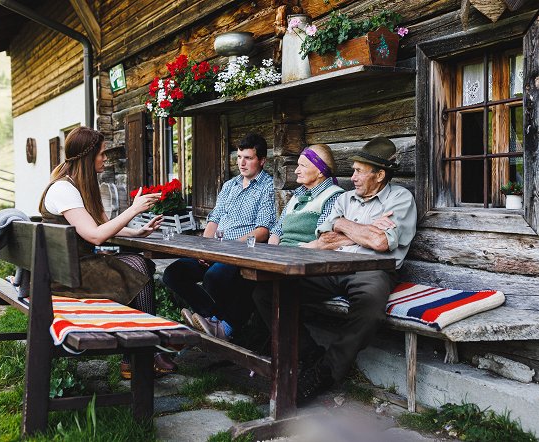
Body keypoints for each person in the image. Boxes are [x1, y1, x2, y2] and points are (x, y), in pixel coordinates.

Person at [253, 136, 418, 404]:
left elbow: (380, 242)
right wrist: (358, 228)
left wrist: (343, 226)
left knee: (369, 307)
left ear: (379, 175)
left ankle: (326, 371)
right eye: (352, 169)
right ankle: (309, 354)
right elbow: (324, 238)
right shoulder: (345, 199)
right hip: (331, 264)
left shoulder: (400, 199)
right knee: (266, 290)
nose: (351, 177)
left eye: (358, 171)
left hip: (372, 269)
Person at [38, 126, 174, 380]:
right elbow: (95, 236)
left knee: (139, 265)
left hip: (77, 266)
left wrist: (137, 232)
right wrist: (133, 210)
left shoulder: (82, 186)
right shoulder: (63, 189)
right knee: (138, 266)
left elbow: (102, 227)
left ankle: (139, 354)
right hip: (66, 275)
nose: (105, 158)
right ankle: (143, 353)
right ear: (88, 156)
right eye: (101, 153)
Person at [163, 133, 276, 341]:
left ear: (262, 160)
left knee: (214, 277)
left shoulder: (267, 187)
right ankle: (214, 318)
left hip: (242, 252)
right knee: (172, 273)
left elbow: (263, 231)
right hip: (216, 249)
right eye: (239, 157)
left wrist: (227, 248)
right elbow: (214, 219)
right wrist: (205, 248)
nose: (241, 163)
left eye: (248, 158)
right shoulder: (230, 185)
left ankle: (219, 323)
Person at [268, 144, 344, 247]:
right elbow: (277, 231)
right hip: (282, 253)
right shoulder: (297, 195)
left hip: (304, 256)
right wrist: (271, 251)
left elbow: (323, 240)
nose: (296, 171)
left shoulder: (333, 196)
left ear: (320, 172)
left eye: (303, 166)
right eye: (298, 165)